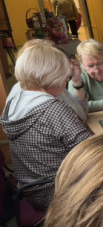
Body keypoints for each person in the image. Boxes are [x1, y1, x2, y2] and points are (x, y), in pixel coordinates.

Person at [0, 40, 92, 209]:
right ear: (52, 78)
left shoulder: (17, 101)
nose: (66, 82)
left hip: (31, 189)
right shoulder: (52, 109)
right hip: (57, 190)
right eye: (65, 78)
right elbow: (93, 151)